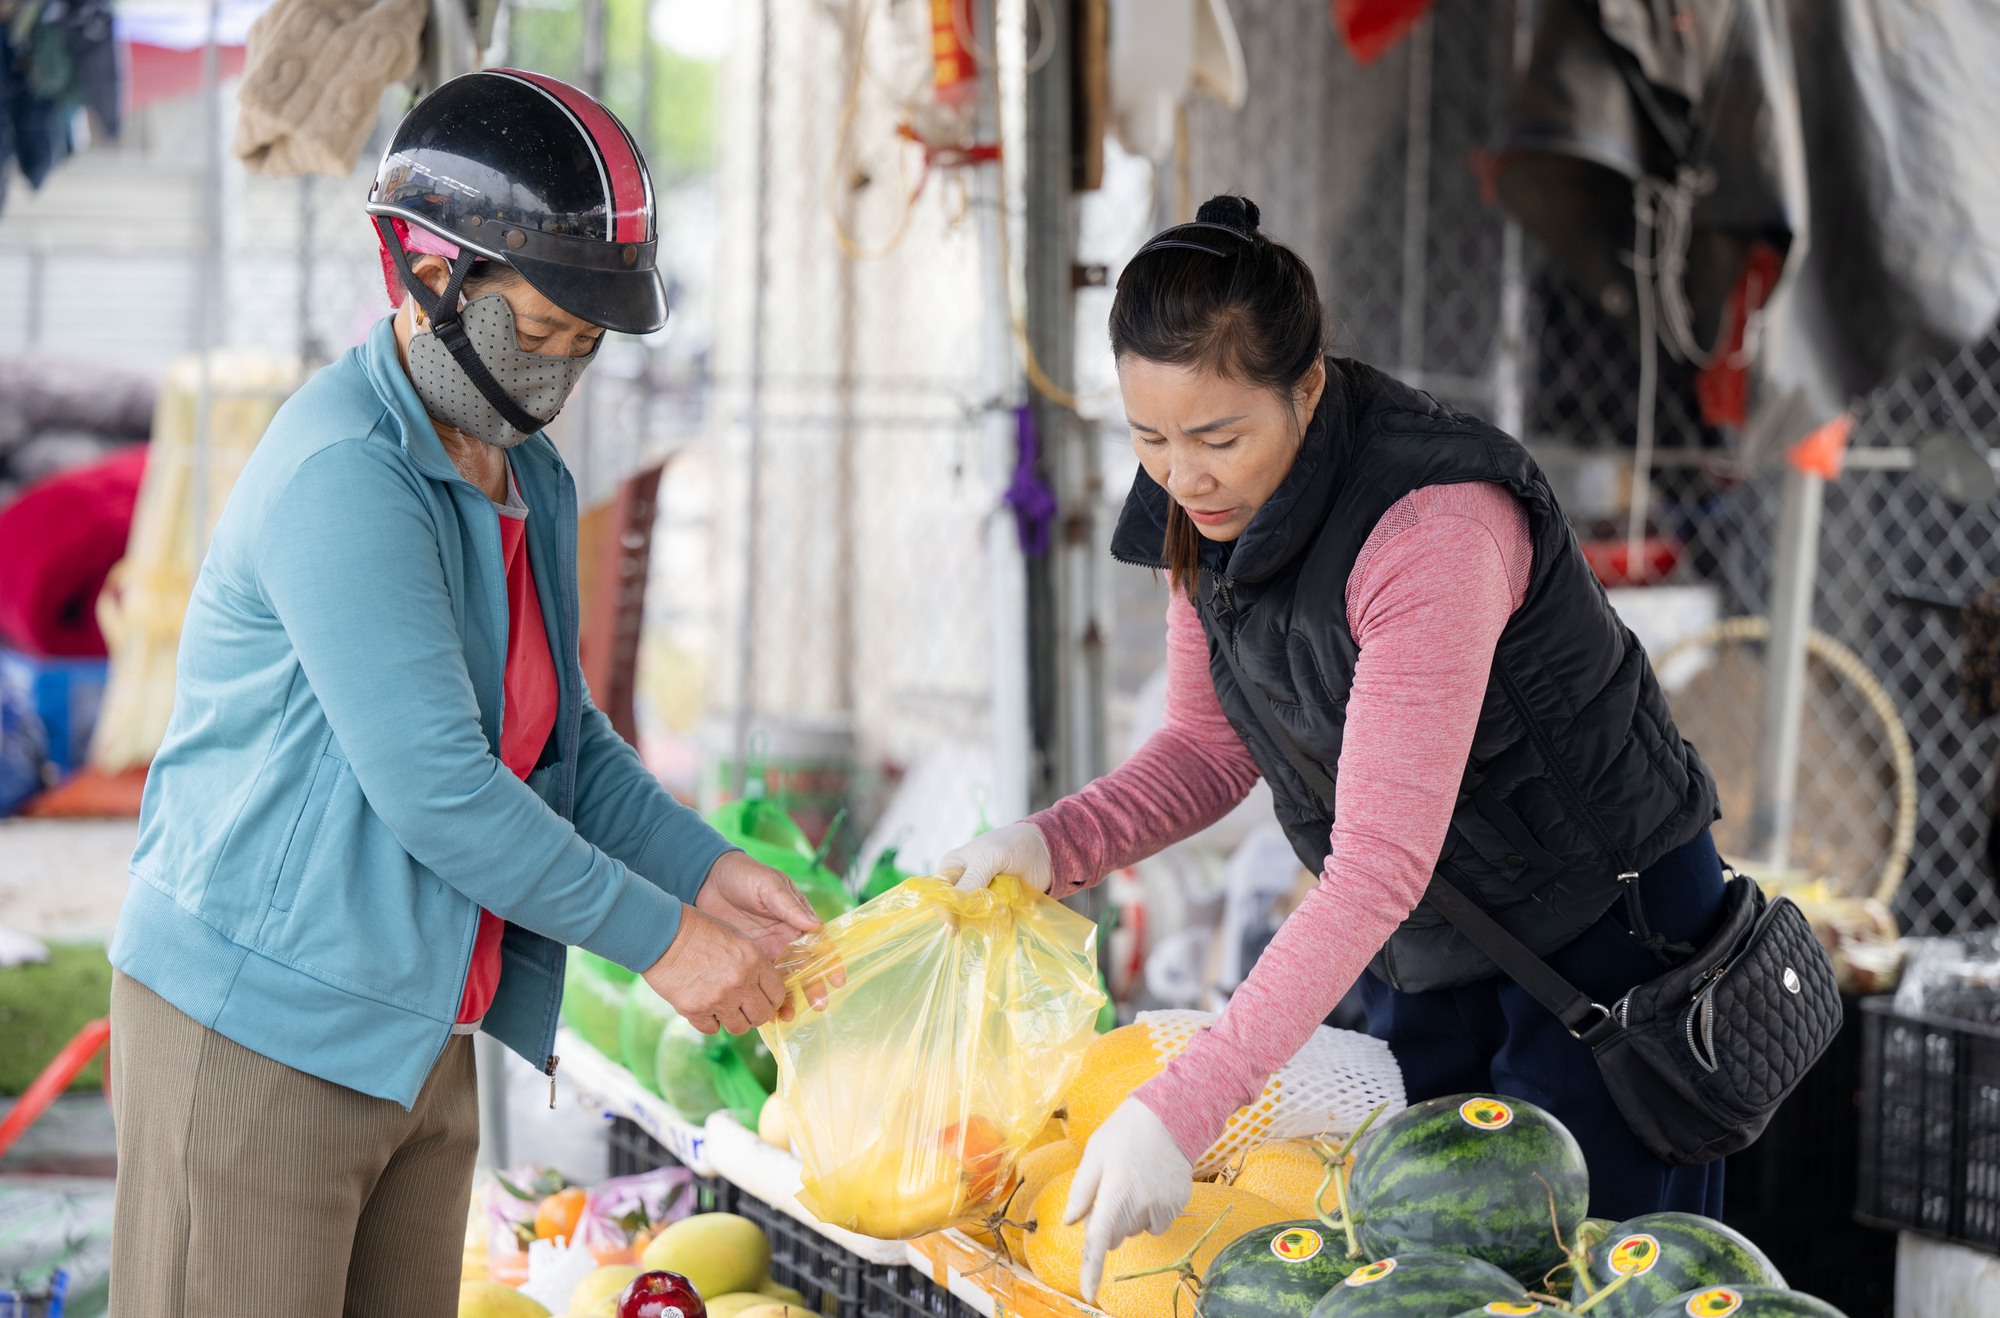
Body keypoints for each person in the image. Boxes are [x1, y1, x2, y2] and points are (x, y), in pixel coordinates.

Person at [106, 71, 820, 1317]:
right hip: (257, 1027)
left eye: (581, 347)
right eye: (531, 336)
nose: (554, 378)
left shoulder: (517, 473)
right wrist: (665, 942)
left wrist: (705, 872)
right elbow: (440, 791)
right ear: (423, 276)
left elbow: (568, 751)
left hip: (413, 1020)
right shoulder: (347, 475)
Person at [940, 195, 1725, 1302]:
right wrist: (1049, 841)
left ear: (1305, 388)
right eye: (1146, 436)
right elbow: (1208, 751)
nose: (1182, 474)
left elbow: (1373, 864)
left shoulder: (1433, 525)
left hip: (1601, 946)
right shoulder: (1194, 502)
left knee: (1596, 1284)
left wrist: (1181, 1107)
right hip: (1439, 940)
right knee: (1432, 1278)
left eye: (1217, 437)